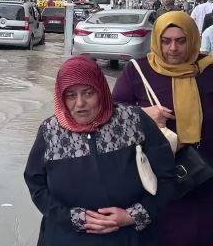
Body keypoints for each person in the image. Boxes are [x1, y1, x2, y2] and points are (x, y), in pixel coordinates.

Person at [25, 56, 175, 246]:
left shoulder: (133, 120)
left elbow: (167, 176)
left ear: (102, 91)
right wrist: (72, 218)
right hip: (65, 237)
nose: (80, 103)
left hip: (131, 237)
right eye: (71, 95)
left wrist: (134, 215)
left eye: (88, 93)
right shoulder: (50, 130)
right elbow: (36, 185)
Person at [113, 11, 213, 246]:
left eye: (181, 40)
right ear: (156, 40)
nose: (173, 48)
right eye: (166, 41)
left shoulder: (208, 69)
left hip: (206, 174)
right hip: (160, 176)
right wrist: (143, 114)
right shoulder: (138, 71)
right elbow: (112, 115)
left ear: (192, 39)